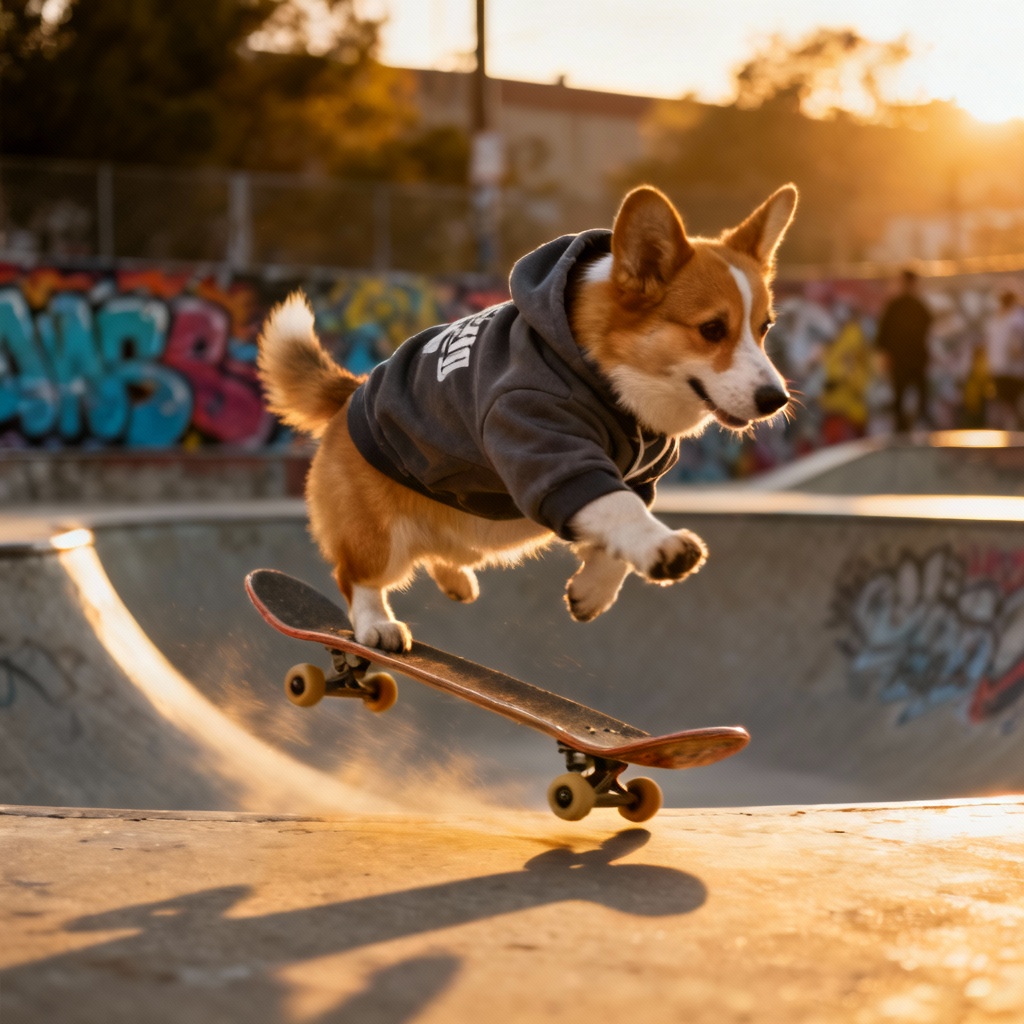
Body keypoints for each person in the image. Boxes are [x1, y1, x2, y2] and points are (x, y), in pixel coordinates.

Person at [875, 269, 934, 432]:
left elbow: (882, 335)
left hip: (906, 360)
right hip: (911, 360)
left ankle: (906, 428)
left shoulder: (899, 305)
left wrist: (886, 357)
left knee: (903, 397)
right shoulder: (914, 305)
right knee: (913, 396)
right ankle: (913, 426)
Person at [983, 289, 1024, 430]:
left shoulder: (1016, 318)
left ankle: (1014, 430)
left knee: (1009, 402)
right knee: (1005, 402)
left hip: (1012, 369)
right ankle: (1010, 429)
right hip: (999, 367)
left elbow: (1016, 346)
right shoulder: (997, 318)